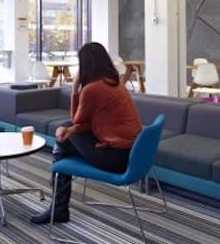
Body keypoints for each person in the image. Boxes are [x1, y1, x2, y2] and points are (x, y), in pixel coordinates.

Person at [30, 42, 142, 224]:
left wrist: (74, 89)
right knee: (66, 135)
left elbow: (77, 120)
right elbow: (88, 123)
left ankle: (58, 205)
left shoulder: (93, 89)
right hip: (129, 154)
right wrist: (71, 129)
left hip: (114, 157)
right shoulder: (115, 83)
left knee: (64, 136)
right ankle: (58, 204)